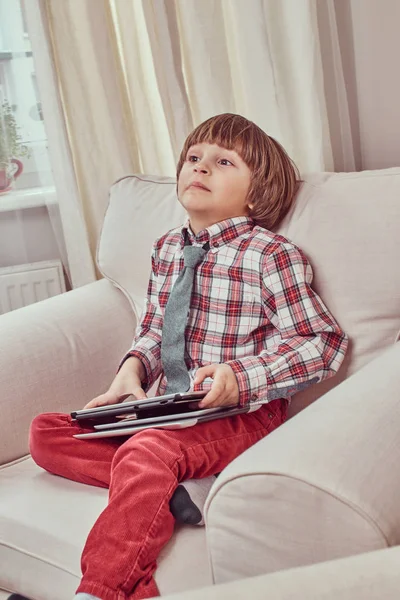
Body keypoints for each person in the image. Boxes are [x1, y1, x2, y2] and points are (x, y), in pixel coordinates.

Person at [29, 113, 348, 600]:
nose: (199, 168)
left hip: (239, 414)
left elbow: (320, 341)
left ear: (257, 192)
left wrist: (240, 376)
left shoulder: (269, 255)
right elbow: (156, 329)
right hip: (167, 411)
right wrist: (130, 375)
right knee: (47, 433)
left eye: (222, 162)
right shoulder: (166, 250)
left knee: (144, 452)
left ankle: (106, 588)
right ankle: (175, 490)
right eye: (193, 158)